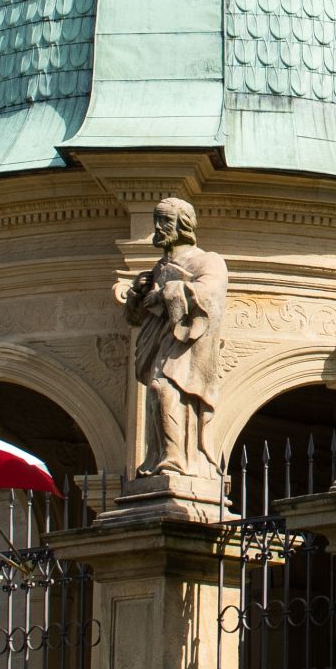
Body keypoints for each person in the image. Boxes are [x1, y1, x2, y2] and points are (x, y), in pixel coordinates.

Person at [115, 197, 226, 490]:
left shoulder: (207, 260)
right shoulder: (158, 268)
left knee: (162, 388)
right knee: (156, 397)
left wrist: (167, 293)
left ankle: (178, 461)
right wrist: (137, 296)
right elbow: (136, 319)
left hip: (186, 345)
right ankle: (159, 458)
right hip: (159, 343)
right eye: (157, 220)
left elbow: (210, 294)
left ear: (183, 225)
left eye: (165, 220)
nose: (158, 226)